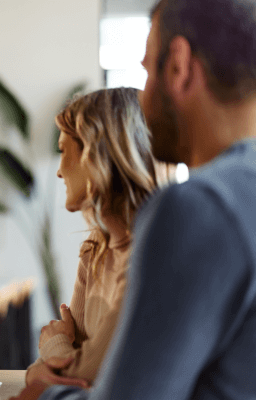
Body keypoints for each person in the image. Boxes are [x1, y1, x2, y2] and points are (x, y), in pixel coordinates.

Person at [12, 0, 256, 399]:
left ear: (178, 65)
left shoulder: (198, 207)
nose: (140, 103)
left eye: (145, 70)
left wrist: (42, 390)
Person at [25, 87, 163, 389]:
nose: (60, 171)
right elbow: (66, 366)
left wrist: (52, 348)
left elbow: (85, 372)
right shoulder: (94, 250)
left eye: (64, 151)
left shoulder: (153, 254)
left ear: (97, 154)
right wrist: (47, 364)